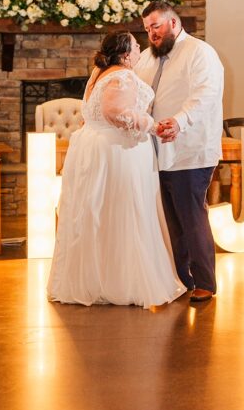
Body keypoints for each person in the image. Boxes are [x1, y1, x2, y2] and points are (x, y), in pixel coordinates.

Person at [48, 30, 185, 309]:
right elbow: (115, 113)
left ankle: (97, 279)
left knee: (100, 212)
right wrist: (152, 126)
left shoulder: (98, 73)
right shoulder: (122, 75)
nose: (140, 49)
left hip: (95, 147)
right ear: (124, 54)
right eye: (136, 46)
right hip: (118, 151)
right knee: (124, 210)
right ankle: (124, 282)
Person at [135, 2, 224, 304]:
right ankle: (181, 279)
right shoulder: (145, 58)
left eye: (156, 26)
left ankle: (205, 283)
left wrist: (180, 121)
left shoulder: (200, 53)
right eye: (147, 29)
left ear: (174, 23)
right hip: (155, 151)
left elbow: (206, 95)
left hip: (190, 149)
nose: (152, 34)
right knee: (170, 220)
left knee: (191, 215)